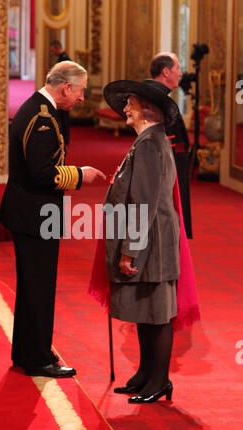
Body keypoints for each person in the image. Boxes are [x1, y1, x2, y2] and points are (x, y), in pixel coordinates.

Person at [89, 79, 200, 404]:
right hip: (149, 242)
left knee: (157, 313)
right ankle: (145, 374)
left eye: (131, 103)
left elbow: (144, 203)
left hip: (153, 246)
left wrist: (130, 251)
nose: (125, 108)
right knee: (145, 312)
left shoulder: (150, 144)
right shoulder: (146, 140)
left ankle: (159, 380)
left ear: (147, 110)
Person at [0, 61, 105, 378]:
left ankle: (27, 352)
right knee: (38, 287)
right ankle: (38, 358)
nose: (82, 99)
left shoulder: (39, 108)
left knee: (33, 286)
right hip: (35, 213)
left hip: (32, 211)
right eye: (81, 91)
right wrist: (80, 175)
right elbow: (41, 174)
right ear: (66, 88)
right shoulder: (42, 116)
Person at [150, 52, 193, 239]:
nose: (181, 73)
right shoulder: (154, 98)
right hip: (164, 169)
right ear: (166, 72)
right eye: (178, 68)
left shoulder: (162, 97)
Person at [50, 40, 72, 145]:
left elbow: (66, 77)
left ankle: (65, 139)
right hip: (63, 91)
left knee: (64, 117)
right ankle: (62, 137)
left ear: (57, 47)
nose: (52, 52)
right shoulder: (62, 58)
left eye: (53, 49)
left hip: (64, 92)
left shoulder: (64, 59)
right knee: (62, 116)